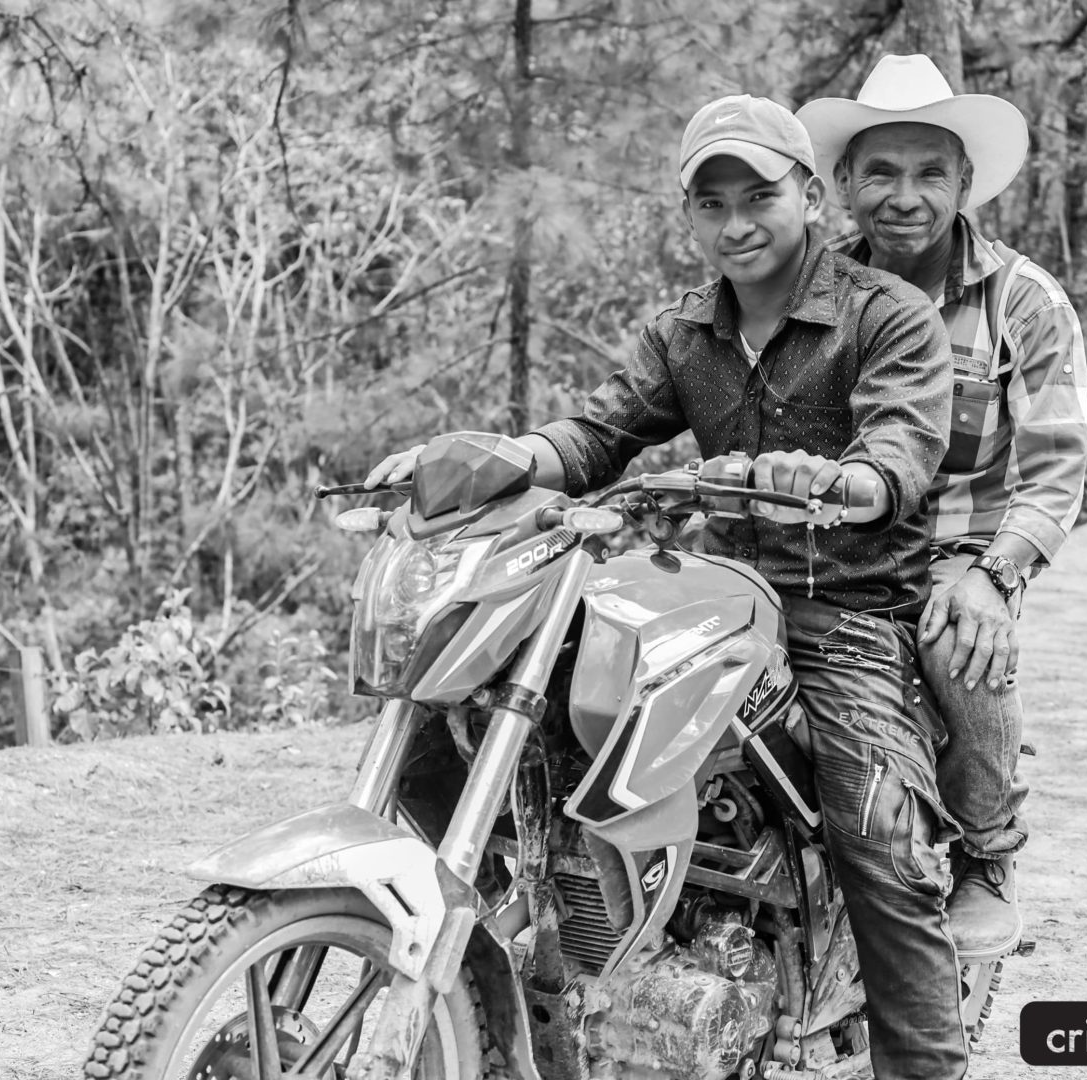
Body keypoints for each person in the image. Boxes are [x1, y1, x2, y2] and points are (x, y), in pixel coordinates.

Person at [370, 94, 968, 1080]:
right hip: (711, 589)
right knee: (461, 722)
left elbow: (901, 451)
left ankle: (926, 1064)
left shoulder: (885, 316)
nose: (737, 223)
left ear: (810, 199)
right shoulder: (685, 332)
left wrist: (840, 480)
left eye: (759, 197)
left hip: (845, 613)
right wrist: (492, 457)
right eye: (712, 203)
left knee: (879, 842)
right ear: (689, 213)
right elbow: (596, 436)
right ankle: (539, 939)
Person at [798, 54, 1087, 961]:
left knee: (956, 637)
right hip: (830, 547)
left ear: (965, 183)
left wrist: (993, 575)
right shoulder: (812, 292)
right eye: (880, 171)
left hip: (960, 551)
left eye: (930, 172)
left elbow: (1055, 469)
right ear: (844, 182)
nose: (904, 196)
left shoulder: (1023, 302)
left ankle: (988, 854)